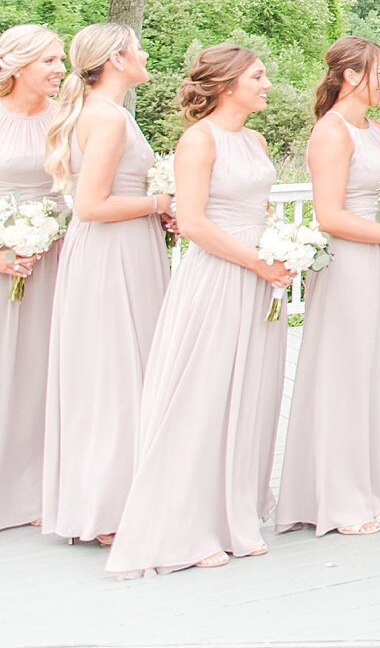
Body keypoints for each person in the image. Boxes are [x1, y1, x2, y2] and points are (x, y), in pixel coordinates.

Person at [108, 45, 295, 575]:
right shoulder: (199, 140)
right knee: (204, 392)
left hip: (261, 273)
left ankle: (233, 512)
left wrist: (281, 248)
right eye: (258, 76)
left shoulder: (254, 139)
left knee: (251, 391)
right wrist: (257, 263)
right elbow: (191, 222)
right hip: (218, 274)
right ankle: (185, 526)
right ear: (228, 83)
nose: (266, 83)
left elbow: (257, 207)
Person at [275, 38, 380, 537]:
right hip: (352, 265)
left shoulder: (378, 130)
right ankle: (338, 496)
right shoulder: (331, 133)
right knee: (348, 373)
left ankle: (367, 485)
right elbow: (330, 215)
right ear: (353, 76)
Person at [41, 24, 173, 545]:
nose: (144, 54)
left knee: (116, 372)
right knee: (116, 376)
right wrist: (160, 203)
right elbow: (92, 206)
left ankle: (116, 500)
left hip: (121, 250)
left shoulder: (99, 114)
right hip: (112, 254)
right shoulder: (109, 118)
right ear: (117, 59)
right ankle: (109, 510)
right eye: (138, 48)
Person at [0, 23, 66, 533]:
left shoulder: (63, 120)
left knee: (44, 367)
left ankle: (39, 486)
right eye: (49, 61)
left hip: (55, 255)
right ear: (18, 64)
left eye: (61, 60)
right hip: (6, 257)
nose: (60, 70)